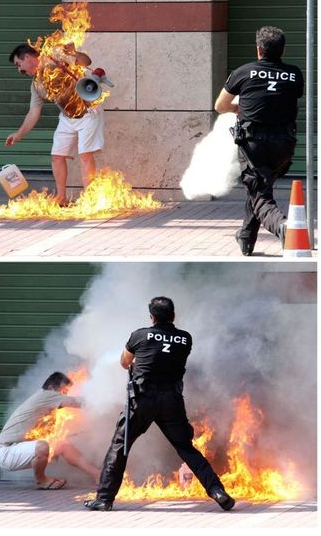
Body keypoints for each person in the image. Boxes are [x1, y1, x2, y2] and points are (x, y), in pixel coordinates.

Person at [84, 297, 235, 512]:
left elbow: (124, 362)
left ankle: (104, 499)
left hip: (142, 400)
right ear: (173, 316)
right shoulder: (185, 338)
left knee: (120, 446)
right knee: (186, 449)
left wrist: (138, 361)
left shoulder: (139, 335)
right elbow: (169, 358)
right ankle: (217, 491)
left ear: (152, 317)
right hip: (172, 401)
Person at [214, 26, 304, 256]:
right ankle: (246, 238)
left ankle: (284, 227)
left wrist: (239, 108)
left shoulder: (243, 72)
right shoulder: (294, 74)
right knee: (259, 187)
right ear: (283, 50)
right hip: (284, 143)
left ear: (258, 50)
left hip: (254, 143)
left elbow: (220, 106)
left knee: (261, 194)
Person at [6, 43, 106, 206]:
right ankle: (61, 198)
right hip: (67, 118)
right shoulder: (36, 85)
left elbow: (86, 61)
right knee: (57, 156)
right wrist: (19, 134)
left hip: (88, 112)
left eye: (19, 64)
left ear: (27, 57)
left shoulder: (56, 57)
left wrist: (74, 52)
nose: (20, 70)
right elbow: (33, 113)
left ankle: (91, 200)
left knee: (85, 155)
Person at [0, 371, 100, 490]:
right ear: (51, 388)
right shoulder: (46, 395)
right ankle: (41, 481)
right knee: (42, 446)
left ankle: (98, 475)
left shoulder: (45, 403)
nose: (64, 396)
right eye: (63, 392)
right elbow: (77, 402)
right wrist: (102, 400)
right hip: (7, 452)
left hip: (18, 449)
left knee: (63, 445)